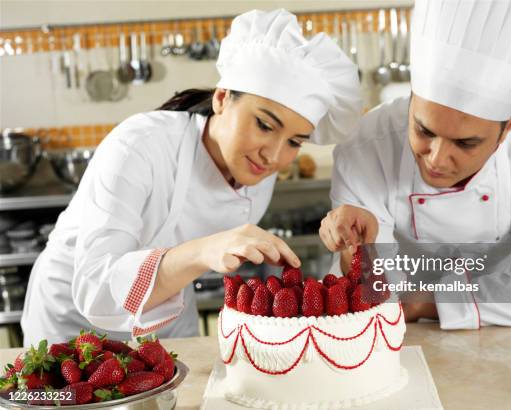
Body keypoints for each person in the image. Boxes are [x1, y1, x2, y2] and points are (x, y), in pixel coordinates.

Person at [21, 9, 361, 345]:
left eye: (294, 142)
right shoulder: (140, 144)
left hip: (166, 318)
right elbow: (96, 288)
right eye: (264, 125)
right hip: (70, 321)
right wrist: (204, 250)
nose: (273, 155)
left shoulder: (259, 170)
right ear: (222, 98)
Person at [320, 0, 511, 329]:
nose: (436, 158)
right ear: (411, 102)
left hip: (504, 327)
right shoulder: (367, 145)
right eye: (423, 130)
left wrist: (424, 302)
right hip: (394, 333)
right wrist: (358, 250)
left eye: (465, 143)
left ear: (508, 129)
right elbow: (376, 293)